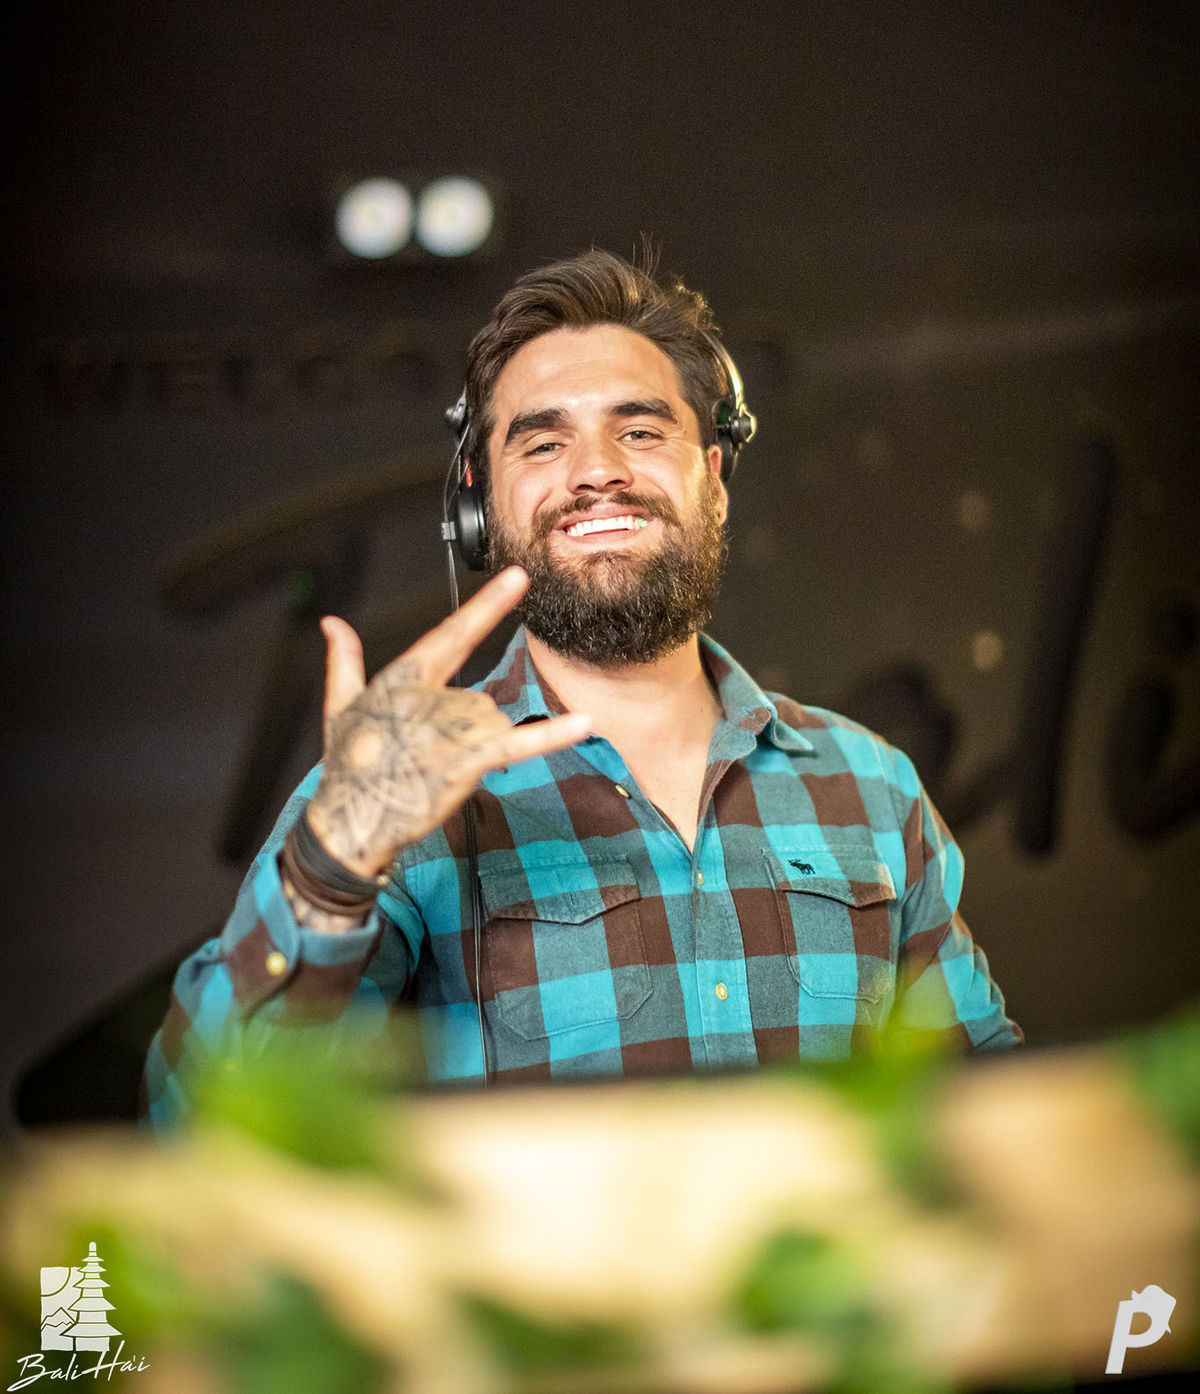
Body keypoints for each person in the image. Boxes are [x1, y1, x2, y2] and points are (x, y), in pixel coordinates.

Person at [145, 250, 1019, 1123]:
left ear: (715, 482)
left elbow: (998, 1113)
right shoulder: (398, 790)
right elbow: (197, 1121)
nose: (596, 471)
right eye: (544, 442)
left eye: (640, 432)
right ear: (480, 509)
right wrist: (331, 870)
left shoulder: (870, 784)